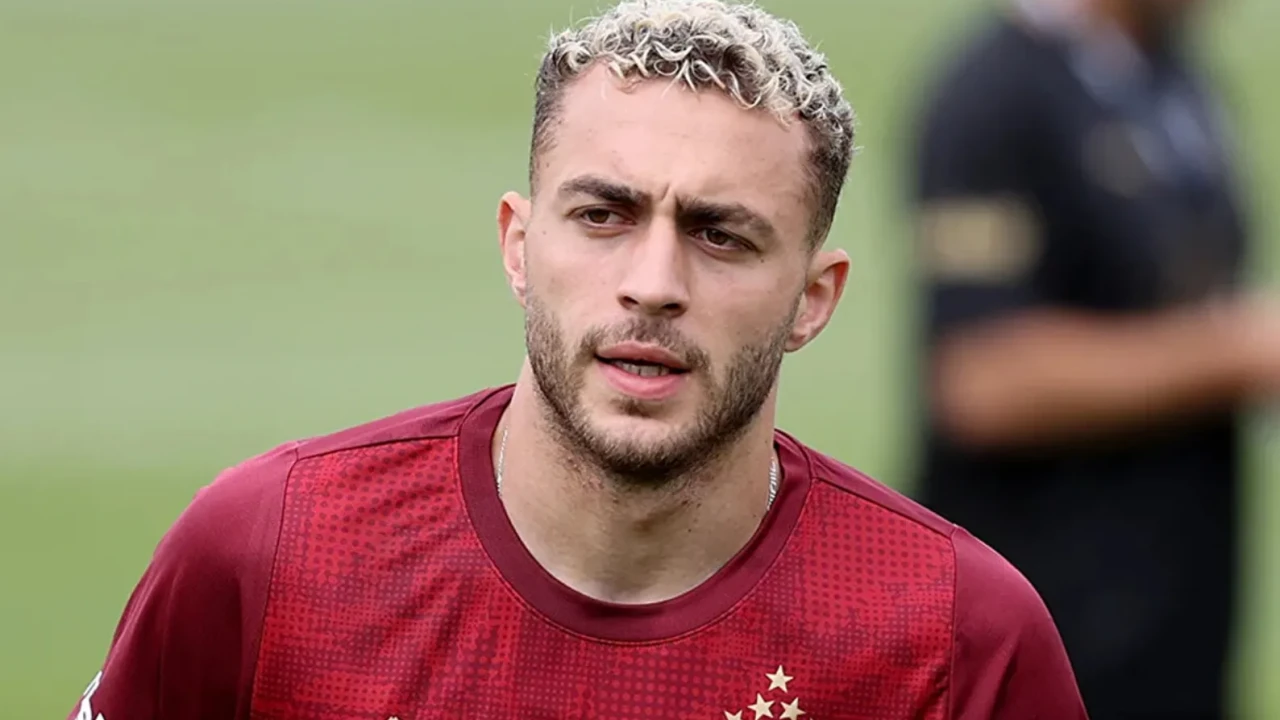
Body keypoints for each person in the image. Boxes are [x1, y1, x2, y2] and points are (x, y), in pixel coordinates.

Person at [69, 1, 1087, 718]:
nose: (652, 281)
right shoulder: (267, 551)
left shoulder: (957, 639)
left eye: (721, 235)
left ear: (811, 300)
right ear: (519, 246)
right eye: (603, 215)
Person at [909, 0, 1271, 717]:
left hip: (1175, 623)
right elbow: (983, 380)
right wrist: (1240, 351)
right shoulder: (992, 95)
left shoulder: (1175, 77)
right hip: (1051, 633)